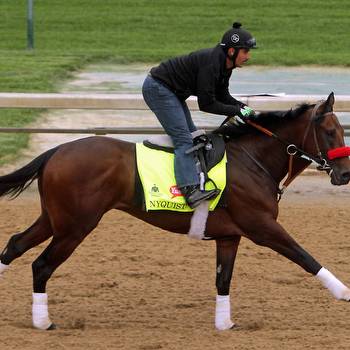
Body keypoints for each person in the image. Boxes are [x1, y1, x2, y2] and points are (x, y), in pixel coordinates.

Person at [142, 22, 257, 208]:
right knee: (184, 140)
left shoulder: (225, 65)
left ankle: (194, 179)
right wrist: (237, 111)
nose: (248, 56)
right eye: (245, 51)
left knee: (195, 137)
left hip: (172, 91)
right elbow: (207, 104)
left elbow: (222, 95)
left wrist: (243, 108)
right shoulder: (212, 64)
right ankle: (189, 189)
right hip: (158, 88)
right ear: (231, 51)